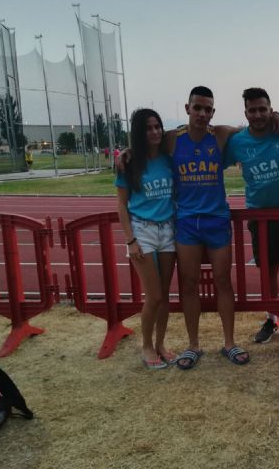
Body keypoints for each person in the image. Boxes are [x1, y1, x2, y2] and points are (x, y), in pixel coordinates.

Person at [167, 86, 249, 368]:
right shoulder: (171, 139)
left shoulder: (221, 135)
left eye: (208, 109)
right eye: (197, 108)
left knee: (223, 281)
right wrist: (126, 152)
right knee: (188, 284)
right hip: (187, 222)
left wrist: (274, 118)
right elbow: (144, 148)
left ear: (213, 112)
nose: (202, 113)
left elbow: (250, 128)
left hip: (216, 220)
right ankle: (193, 345)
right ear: (187, 108)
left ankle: (229, 342)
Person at [224, 87, 279, 344]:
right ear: (246, 113)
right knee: (268, 271)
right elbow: (213, 153)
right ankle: (272, 320)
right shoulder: (238, 141)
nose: (258, 114)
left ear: (271, 109)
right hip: (260, 216)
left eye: (263, 109)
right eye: (253, 110)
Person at [115, 108, 176, 369]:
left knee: (163, 295)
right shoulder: (129, 164)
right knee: (152, 296)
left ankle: (161, 343)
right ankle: (147, 346)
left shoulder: (168, 158)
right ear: (139, 133)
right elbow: (121, 205)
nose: (155, 132)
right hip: (143, 231)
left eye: (158, 126)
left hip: (169, 230)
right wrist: (131, 240)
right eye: (149, 128)